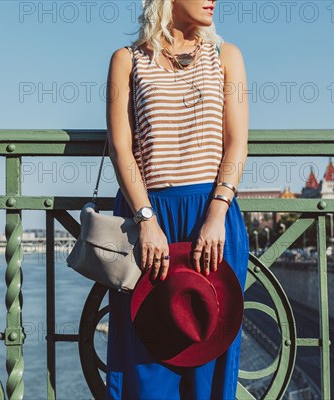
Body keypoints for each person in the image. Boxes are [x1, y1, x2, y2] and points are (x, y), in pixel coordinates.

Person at [105, 0, 250, 398]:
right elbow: (122, 150)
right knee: (145, 361)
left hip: (211, 216)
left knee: (208, 355)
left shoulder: (226, 56)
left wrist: (217, 213)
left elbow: (236, 144)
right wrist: (146, 221)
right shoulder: (127, 60)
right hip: (148, 218)